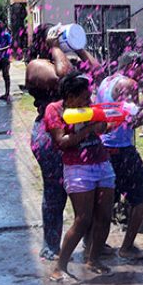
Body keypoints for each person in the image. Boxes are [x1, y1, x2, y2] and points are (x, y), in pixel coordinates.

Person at [26, 24, 101, 260]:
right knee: (56, 189)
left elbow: (97, 71)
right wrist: (56, 48)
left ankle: (91, 242)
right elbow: (64, 76)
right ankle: (51, 247)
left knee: (87, 187)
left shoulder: (66, 61)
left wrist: (79, 48)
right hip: (51, 133)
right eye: (56, 34)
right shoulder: (36, 65)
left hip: (78, 128)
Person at [96, 52, 143, 260]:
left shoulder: (106, 82)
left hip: (104, 147)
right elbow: (134, 121)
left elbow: (121, 112)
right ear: (132, 66)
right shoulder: (129, 84)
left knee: (107, 200)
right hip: (121, 150)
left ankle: (96, 245)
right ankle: (127, 247)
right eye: (141, 68)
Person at [45, 71, 115, 281]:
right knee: (82, 219)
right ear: (70, 97)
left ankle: (93, 259)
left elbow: (103, 129)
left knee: (104, 216)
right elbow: (62, 142)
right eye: (85, 97)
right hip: (78, 168)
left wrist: (102, 124)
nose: (89, 100)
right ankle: (60, 267)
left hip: (101, 162)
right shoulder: (54, 110)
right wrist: (89, 129)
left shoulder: (89, 108)